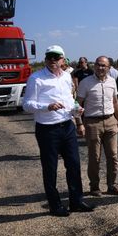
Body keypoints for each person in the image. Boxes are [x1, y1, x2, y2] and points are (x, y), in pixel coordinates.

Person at [22, 45, 95, 217]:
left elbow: (69, 99)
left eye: (56, 57)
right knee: (50, 169)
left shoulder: (67, 77)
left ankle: (76, 201)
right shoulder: (36, 79)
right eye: (49, 57)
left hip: (67, 126)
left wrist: (77, 111)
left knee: (74, 165)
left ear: (63, 59)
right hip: (47, 130)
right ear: (46, 59)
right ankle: (55, 205)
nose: (52, 60)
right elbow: (26, 105)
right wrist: (47, 107)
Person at [76, 56, 118, 197]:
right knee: (94, 158)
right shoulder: (85, 83)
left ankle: (112, 186)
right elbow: (77, 104)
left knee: (113, 156)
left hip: (111, 122)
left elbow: (115, 102)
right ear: (94, 66)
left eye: (104, 65)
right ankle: (94, 187)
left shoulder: (112, 81)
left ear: (109, 68)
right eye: (98, 64)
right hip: (92, 123)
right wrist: (79, 123)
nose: (100, 67)